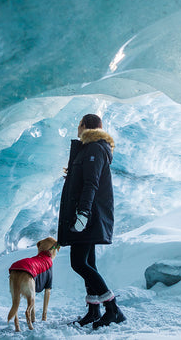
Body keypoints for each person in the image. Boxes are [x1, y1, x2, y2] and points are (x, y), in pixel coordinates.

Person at [57, 114, 126, 329]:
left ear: (85, 126)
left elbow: (91, 184)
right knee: (89, 263)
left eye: (79, 125)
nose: (77, 129)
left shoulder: (95, 149)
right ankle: (94, 310)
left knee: (78, 263)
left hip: (88, 216)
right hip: (86, 215)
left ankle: (113, 308)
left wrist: (83, 213)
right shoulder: (88, 149)